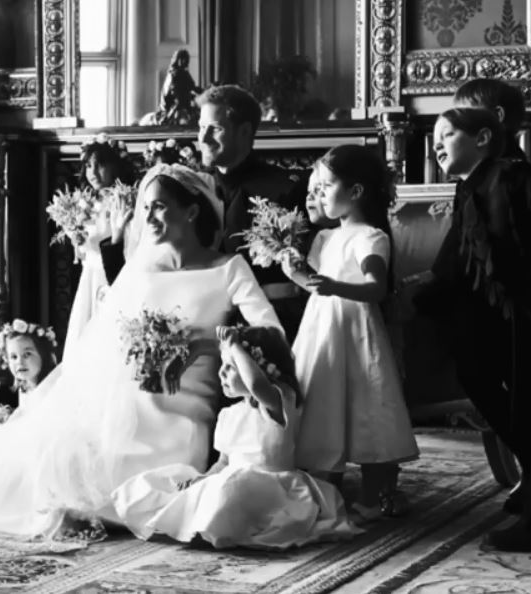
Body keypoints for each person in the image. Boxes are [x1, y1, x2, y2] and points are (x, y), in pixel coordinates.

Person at [0, 164, 284, 545]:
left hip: (185, 413)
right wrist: (141, 353)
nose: (148, 217)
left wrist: (214, 344)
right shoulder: (141, 269)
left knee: (148, 491)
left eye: (159, 207)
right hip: (132, 403)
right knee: (61, 465)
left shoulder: (227, 269)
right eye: (145, 209)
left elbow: (271, 332)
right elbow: (108, 339)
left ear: (191, 211)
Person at [111, 324, 359, 549]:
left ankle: (205, 526)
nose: (221, 374)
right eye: (223, 365)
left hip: (272, 487)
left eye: (230, 367)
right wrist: (202, 480)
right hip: (230, 480)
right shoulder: (229, 414)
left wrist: (235, 347)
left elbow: (257, 385)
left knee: (230, 491)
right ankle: (188, 522)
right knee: (174, 480)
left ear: (259, 368)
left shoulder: (277, 400)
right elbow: (224, 462)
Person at [414, 107, 531, 552]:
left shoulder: (511, 178)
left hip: (521, 314)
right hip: (491, 318)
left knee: (523, 404)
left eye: (447, 134)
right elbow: (454, 262)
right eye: (435, 137)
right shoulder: (469, 187)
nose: (436, 144)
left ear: (483, 137)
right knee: (475, 372)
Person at [281, 145, 419, 521]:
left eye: (326, 186)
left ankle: (377, 492)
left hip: (356, 334)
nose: (320, 194)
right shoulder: (326, 239)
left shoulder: (370, 237)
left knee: (365, 405)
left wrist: (335, 286)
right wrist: (297, 275)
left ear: (355, 192)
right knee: (325, 402)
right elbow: (318, 287)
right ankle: (328, 483)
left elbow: (376, 288)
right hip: (323, 330)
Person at [196, 84, 309, 342]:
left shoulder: (283, 189)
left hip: (269, 325)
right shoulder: (195, 190)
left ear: (245, 131)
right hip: (203, 323)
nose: (203, 138)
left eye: (215, 128)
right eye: (201, 127)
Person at [63, 134, 137, 363]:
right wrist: (74, 236)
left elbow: (129, 243)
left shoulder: (124, 200)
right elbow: (84, 250)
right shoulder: (85, 203)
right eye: (88, 166)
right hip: (90, 276)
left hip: (112, 274)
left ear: (115, 165)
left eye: (100, 165)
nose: (93, 173)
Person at [0, 319, 58, 413]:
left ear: (43, 355)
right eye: (14, 357)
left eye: (27, 354)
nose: (19, 362)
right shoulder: (24, 389)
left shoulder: (51, 390)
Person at [157, 49, 201, 126]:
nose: (186, 61)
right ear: (178, 59)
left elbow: (192, 87)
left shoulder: (185, 73)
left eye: (187, 59)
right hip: (175, 104)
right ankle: (166, 119)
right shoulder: (174, 74)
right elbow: (174, 93)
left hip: (185, 101)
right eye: (184, 59)